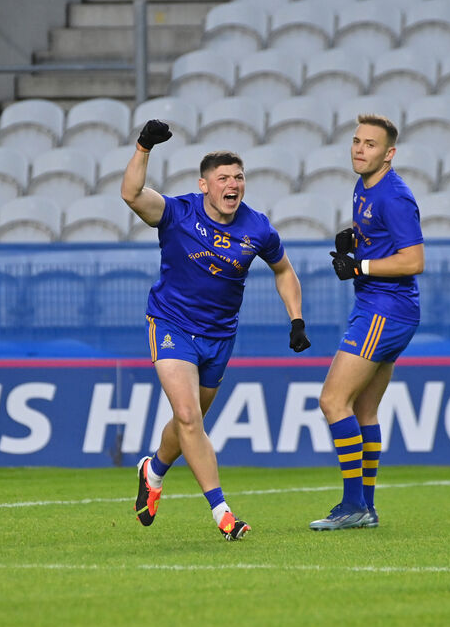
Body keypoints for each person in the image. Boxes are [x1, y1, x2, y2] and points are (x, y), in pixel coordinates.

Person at [121, 120, 310, 540]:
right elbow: (131, 194)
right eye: (223, 178)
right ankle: (223, 514)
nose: (233, 184)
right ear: (204, 185)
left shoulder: (257, 227)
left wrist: (296, 318)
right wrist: (144, 146)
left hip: (219, 337)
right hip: (170, 324)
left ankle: (153, 470)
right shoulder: (178, 213)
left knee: (189, 421)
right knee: (189, 417)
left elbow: (284, 270)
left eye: (239, 177)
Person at [309, 113, 424, 531]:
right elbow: (384, 243)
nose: (360, 149)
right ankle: (366, 509)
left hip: (384, 309)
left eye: (370, 144)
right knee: (363, 409)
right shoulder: (364, 186)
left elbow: (414, 260)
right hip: (387, 307)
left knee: (331, 401)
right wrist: (356, 243)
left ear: (389, 153)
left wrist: (361, 266)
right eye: (357, 141)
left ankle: (354, 504)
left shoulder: (394, 195)